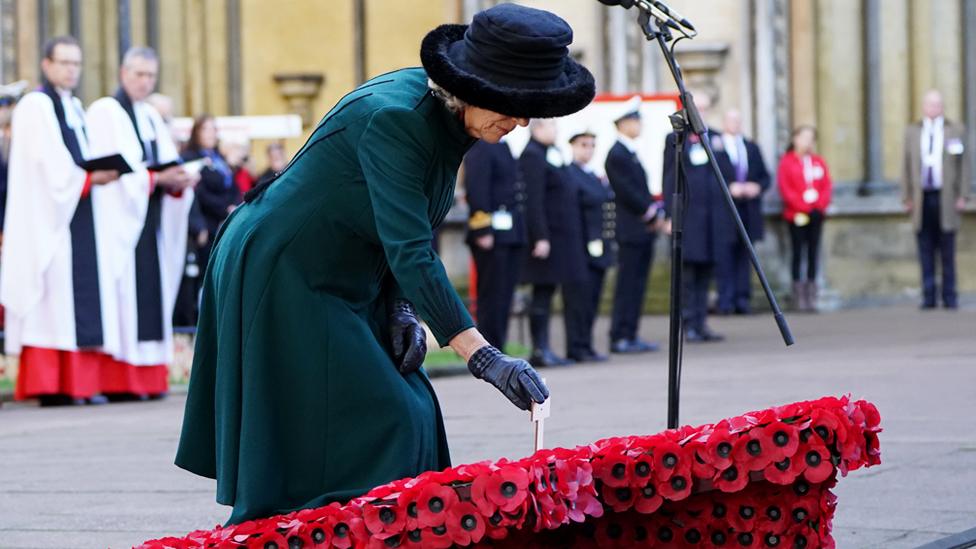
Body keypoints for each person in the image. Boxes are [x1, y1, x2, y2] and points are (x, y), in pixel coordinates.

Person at [175, 3, 592, 524]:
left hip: (350, 268)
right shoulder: (399, 117)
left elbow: (401, 220)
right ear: (472, 87)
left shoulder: (456, 120)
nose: (522, 119)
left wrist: (400, 307)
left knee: (413, 413)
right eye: (513, 103)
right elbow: (411, 247)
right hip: (287, 269)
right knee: (373, 425)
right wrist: (483, 356)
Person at [0, 36, 121, 405]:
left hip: (75, 209)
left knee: (74, 300)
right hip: (48, 218)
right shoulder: (36, 105)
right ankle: (51, 387)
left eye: (76, 64)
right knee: (53, 300)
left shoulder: (73, 106)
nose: (71, 70)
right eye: (64, 62)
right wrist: (87, 178)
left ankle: (78, 386)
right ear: (46, 64)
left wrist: (98, 171)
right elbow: (44, 164)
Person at [86, 46, 197, 399]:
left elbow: (164, 162)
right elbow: (115, 172)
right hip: (119, 220)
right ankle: (119, 381)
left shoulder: (149, 115)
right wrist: (156, 180)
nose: (145, 81)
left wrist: (179, 180)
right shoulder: (105, 111)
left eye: (151, 75)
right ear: (123, 72)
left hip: (150, 218)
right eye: (139, 74)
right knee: (124, 295)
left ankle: (148, 380)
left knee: (150, 293)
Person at [662, 92, 734, 342]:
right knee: (688, 275)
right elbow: (670, 178)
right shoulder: (675, 138)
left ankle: (702, 323)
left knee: (705, 274)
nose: (699, 113)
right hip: (689, 219)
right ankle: (688, 323)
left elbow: (727, 174)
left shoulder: (714, 138)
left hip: (712, 221)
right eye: (696, 108)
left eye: (704, 108)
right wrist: (670, 215)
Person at [520, 119, 587, 367]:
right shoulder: (532, 155)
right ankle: (539, 349)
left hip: (560, 238)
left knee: (549, 292)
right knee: (542, 293)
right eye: (551, 126)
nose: (555, 130)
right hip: (546, 238)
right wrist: (540, 236)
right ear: (537, 129)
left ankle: (546, 347)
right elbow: (533, 201)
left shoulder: (551, 152)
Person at [902, 90, 970, 310]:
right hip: (923, 197)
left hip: (946, 197)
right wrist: (907, 196)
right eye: (930, 104)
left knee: (947, 249)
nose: (933, 108)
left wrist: (963, 195)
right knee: (925, 248)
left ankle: (950, 296)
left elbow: (965, 165)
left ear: (942, 106)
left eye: (937, 104)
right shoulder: (912, 131)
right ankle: (928, 296)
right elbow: (905, 165)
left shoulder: (955, 130)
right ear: (924, 107)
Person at [606, 96, 663, 354]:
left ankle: (631, 333)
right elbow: (628, 192)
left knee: (637, 285)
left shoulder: (629, 153)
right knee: (627, 285)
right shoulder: (617, 154)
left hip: (641, 230)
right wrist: (650, 212)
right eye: (634, 120)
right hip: (630, 230)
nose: (639, 125)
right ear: (623, 124)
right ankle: (620, 335)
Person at [464, 138, 526, 350]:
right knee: (491, 294)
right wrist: (482, 228)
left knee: (504, 294)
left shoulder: (504, 145)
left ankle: (498, 344)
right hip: (491, 233)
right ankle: (487, 346)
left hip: (510, 232)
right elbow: (476, 186)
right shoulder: (482, 145)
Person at [563, 129, 614, 362]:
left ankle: (586, 343)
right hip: (579, 248)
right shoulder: (570, 174)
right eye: (583, 145)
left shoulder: (594, 175)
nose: (588, 150)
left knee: (592, 298)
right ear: (573, 147)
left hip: (598, 247)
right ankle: (577, 345)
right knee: (578, 301)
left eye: (592, 145)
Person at [716, 109, 770, 315]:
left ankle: (742, 299)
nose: (735, 124)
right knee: (725, 256)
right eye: (731, 120)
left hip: (748, 209)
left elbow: (764, 176)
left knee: (745, 254)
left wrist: (756, 187)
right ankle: (726, 300)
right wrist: (729, 187)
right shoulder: (715, 147)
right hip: (724, 211)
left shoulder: (750, 147)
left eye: (738, 121)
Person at [777, 125, 832, 312]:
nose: (808, 142)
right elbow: (786, 189)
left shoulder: (817, 162)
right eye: (804, 138)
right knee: (798, 252)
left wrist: (819, 206)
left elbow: (826, 186)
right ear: (795, 139)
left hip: (816, 214)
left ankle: (811, 295)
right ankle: (798, 295)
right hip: (796, 214)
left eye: (811, 138)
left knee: (813, 252)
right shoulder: (787, 162)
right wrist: (804, 207)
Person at [181, 114, 240, 267]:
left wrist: (235, 205)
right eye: (205, 129)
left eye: (213, 129)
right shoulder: (190, 157)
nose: (211, 133)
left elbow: (232, 186)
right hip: (205, 224)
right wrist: (225, 208)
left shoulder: (219, 158)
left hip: (224, 220)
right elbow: (198, 192)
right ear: (196, 132)